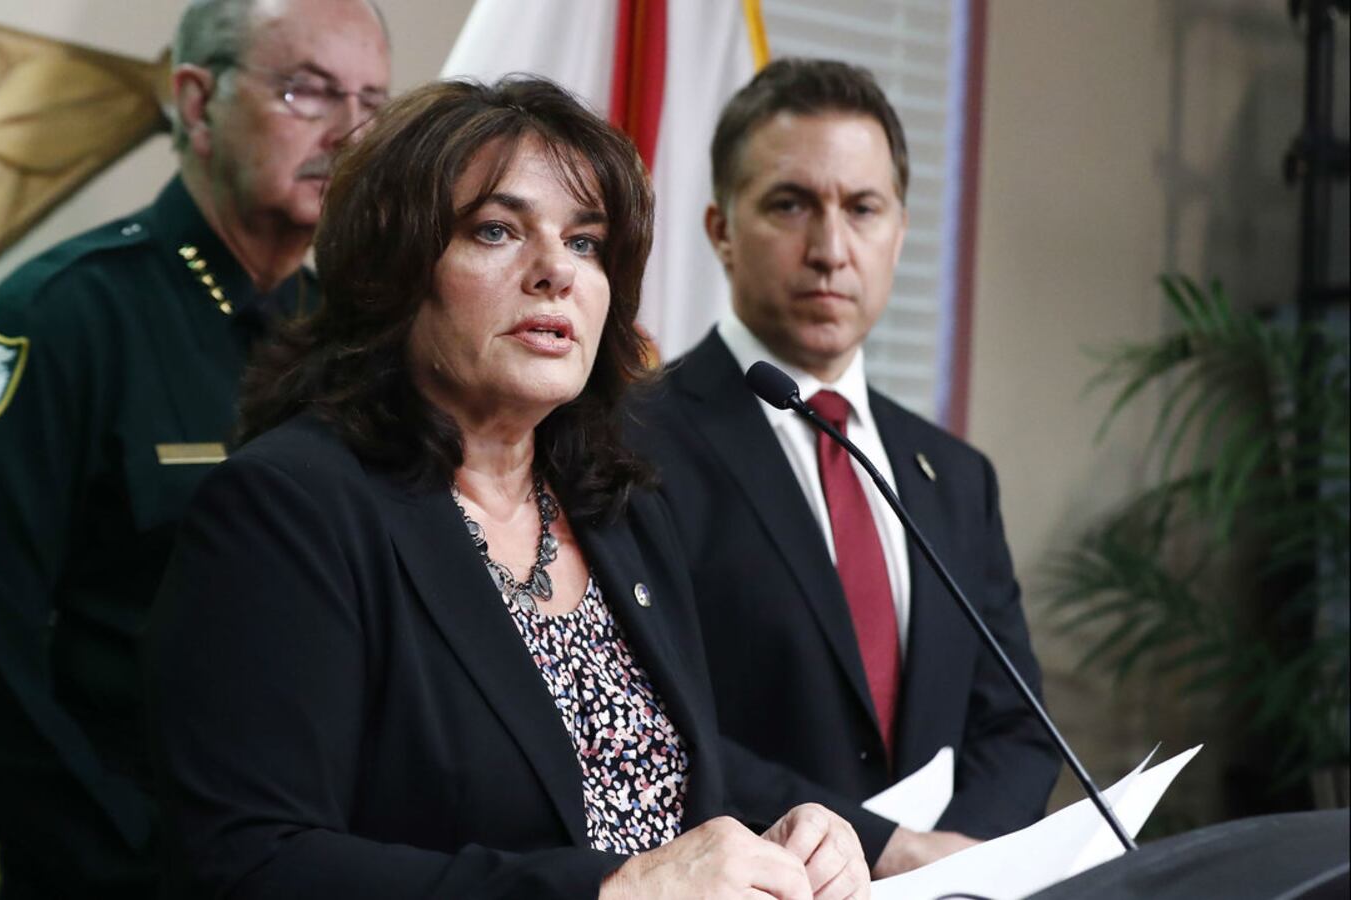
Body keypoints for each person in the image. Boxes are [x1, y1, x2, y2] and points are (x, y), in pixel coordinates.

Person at [148, 76, 871, 899]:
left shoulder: (622, 511)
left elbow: (645, 788)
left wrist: (787, 839)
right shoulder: (288, 511)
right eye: (496, 230)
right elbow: (250, 862)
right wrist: (612, 892)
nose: (555, 272)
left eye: (587, 242)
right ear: (394, 271)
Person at [0, 1, 390, 896]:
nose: (350, 133)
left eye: (373, 103)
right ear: (195, 101)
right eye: (308, 93)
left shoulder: (351, 340)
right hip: (96, 865)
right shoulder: (58, 321)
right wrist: (147, 857)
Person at [629, 58, 1060, 876]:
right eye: (791, 205)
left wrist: (951, 866)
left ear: (898, 231)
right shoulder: (632, 442)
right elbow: (644, 722)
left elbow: (1017, 724)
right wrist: (880, 849)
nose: (831, 248)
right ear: (721, 229)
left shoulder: (956, 475)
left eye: (863, 209)